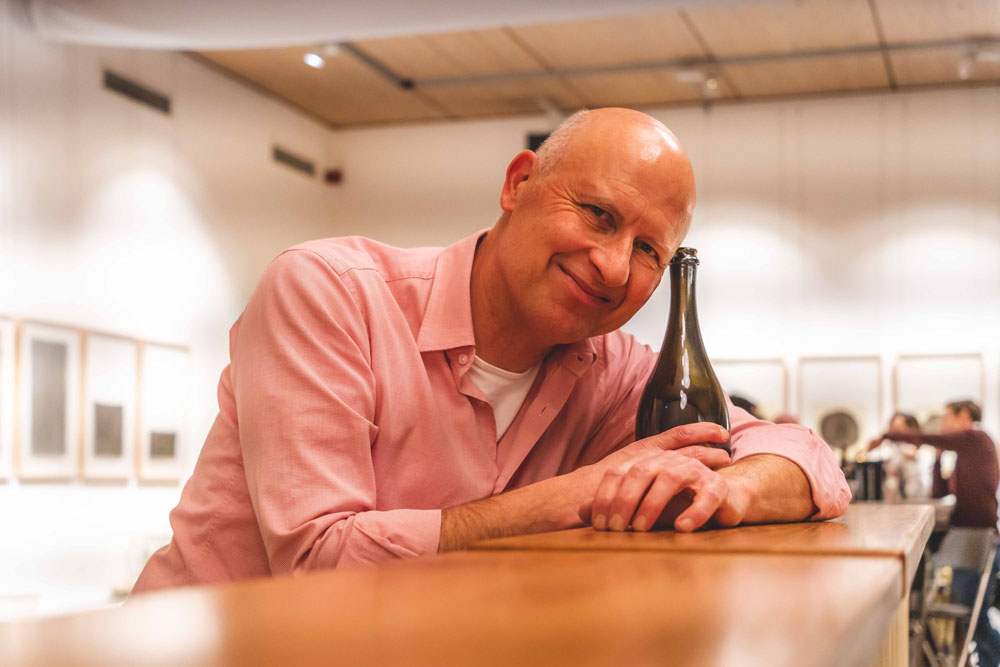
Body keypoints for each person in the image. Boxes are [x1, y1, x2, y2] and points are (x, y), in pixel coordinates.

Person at [132, 108, 850, 593]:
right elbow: (319, 560)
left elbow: (809, 459)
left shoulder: (615, 370)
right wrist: (568, 498)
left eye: (647, 251)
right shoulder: (329, 292)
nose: (610, 265)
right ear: (517, 184)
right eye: (598, 214)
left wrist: (732, 487)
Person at [886, 400, 1000, 665]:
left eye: (948, 416)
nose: (944, 423)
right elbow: (939, 493)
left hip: (975, 538)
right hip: (968, 535)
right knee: (972, 618)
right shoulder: (966, 450)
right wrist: (938, 459)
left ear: (964, 416)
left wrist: (886, 436)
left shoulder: (976, 438)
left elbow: (927, 437)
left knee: (973, 618)